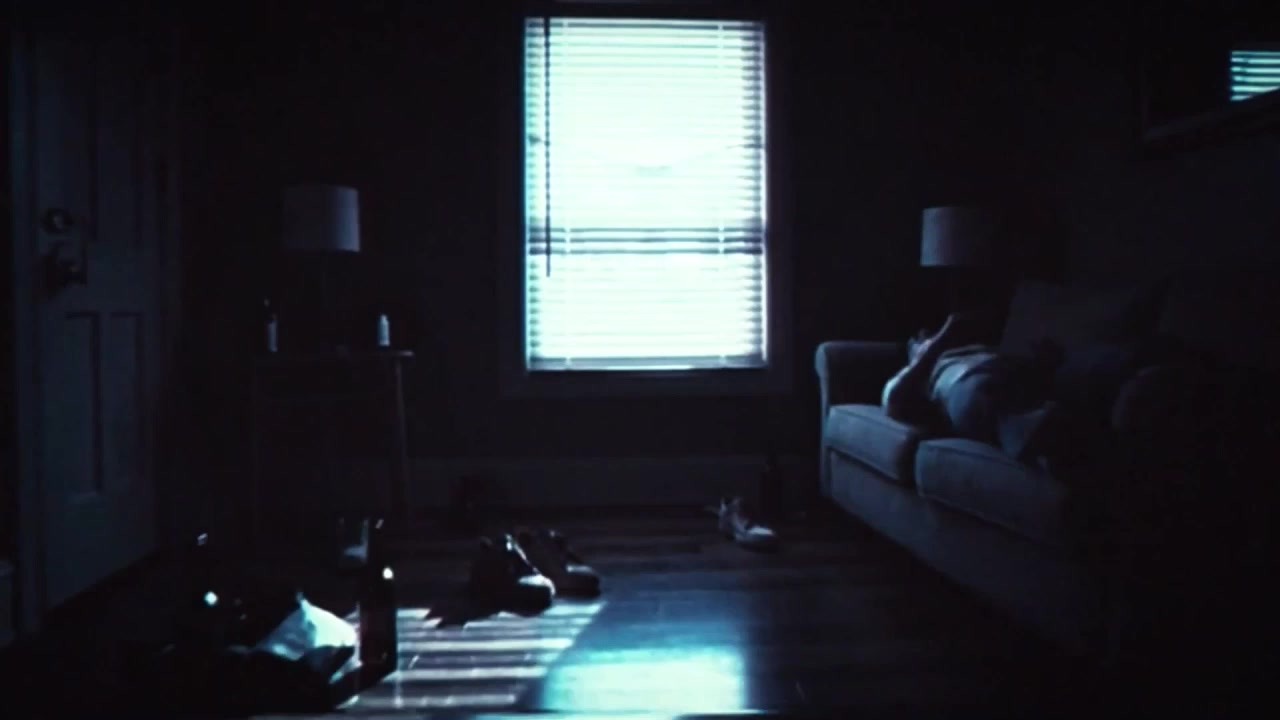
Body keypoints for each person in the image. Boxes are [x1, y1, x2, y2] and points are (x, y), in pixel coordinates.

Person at [883, 313, 1066, 462]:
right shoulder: (925, 373)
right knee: (979, 396)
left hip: (1010, 370)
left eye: (930, 333)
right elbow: (894, 400)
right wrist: (940, 340)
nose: (928, 334)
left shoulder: (973, 348)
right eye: (924, 338)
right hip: (967, 384)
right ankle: (1031, 433)